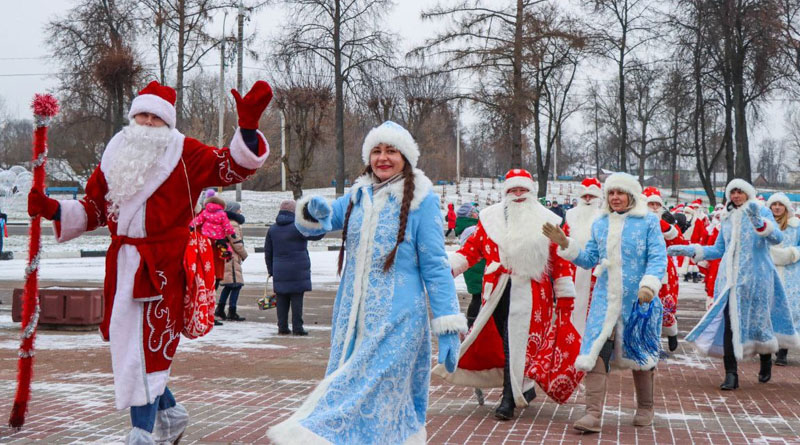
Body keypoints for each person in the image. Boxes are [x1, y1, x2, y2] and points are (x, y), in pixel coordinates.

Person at [27, 80, 272, 444]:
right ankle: (170, 415)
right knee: (132, 352)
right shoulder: (116, 152)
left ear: (168, 122)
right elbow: (95, 207)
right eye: (141, 114)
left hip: (162, 267)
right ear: (132, 116)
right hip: (122, 265)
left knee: (146, 351)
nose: (146, 122)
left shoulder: (185, 152)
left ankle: (140, 434)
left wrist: (248, 130)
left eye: (155, 117)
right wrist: (53, 208)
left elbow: (231, 168)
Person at [267, 121, 466, 444]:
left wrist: (446, 326)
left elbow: (435, 265)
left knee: (376, 394)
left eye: (391, 151)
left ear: (405, 156)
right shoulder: (359, 194)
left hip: (398, 319)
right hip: (352, 320)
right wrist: (313, 211)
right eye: (376, 151)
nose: (382, 158)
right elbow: (318, 224)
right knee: (347, 386)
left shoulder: (422, 200)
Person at [437, 169, 582, 421]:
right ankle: (520, 387)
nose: (517, 194)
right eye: (513, 190)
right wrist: (445, 270)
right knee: (503, 340)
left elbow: (560, 264)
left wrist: (566, 298)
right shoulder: (489, 218)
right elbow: (472, 250)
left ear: (531, 192)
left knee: (517, 343)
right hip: (497, 291)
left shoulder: (549, 221)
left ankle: (508, 399)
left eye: (522, 190)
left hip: (532, 295)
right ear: (505, 193)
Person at [543, 172, 667, 433]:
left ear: (631, 195)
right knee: (594, 352)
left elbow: (658, 257)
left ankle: (646, 407)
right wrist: (566, 243)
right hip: (604, 301)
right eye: (611, 193)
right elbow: (589, 259)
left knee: (639, 354)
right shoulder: (600, 224)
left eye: (620, 193)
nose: (615, 198)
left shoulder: (648, 222)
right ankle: (592, 414)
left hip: (638, 300)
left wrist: (649, 285)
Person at [668, 179, 800, 390]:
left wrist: (760, 224)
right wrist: (690, 249)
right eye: (733, 192)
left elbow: (776, 238)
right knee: (729, 324)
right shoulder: (727, 217)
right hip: (729, 280)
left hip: (758, 278)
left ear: (748, 194)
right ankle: (731, 374)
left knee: (760, 323)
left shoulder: (762, 213)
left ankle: (766, 359)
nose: (736, 196)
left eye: (740, 192)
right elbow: (718, 249)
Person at [264, 199, 324, 336]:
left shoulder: (272, 229)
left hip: (279, 269)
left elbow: (268, 252)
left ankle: (282, 327)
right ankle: (297, 328)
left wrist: (271, 270)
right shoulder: (298, 227)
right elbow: (317, 235)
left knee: (281, 299)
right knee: (297, 298)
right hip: (298, 268)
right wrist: (322, 223)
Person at [643, 186, 687, 353]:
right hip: (643, 268)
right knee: (645, 305)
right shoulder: (637, 222)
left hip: (665, 271)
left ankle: (671, 332)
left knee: (665, 303)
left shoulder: (666, 224)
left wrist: (665, 227)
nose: (654, 207)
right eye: (650, 204)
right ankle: (648, 342)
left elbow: (681, 243)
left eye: (656, 204)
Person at [563, 177, 604, 337]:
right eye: (584, 196)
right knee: (573, 305)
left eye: (591, 196)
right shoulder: (571, 216)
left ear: (598, 198)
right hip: (572, 269)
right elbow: (563, 241)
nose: (587, 199)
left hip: (595, 271)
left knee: (592, 308)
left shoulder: (604, 217)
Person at [767, 192, 800, 366]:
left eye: (780, 204)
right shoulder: (766, 226)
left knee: (787, 310)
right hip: (769, 270)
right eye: (774, 204)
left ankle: (783, 350)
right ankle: (767, 347)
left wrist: (791, 254)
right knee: (768, 308)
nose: (777, 207)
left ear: (786, 207)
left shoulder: (796, 226)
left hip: (790, 273)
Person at [453, 203, 485, 329]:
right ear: (469, 215)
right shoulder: (472, 228)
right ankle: (472, 323)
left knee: (476, 296)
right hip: (477, 267)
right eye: (474, 212)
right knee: (477, 297)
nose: (477, 213)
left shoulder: (466, 226)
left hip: (472, 268)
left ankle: (473, 322)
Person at [216, 201, 248, 322]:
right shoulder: (233, 223)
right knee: (236, 285)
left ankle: (220, 309)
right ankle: (232, 311)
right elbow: (236, 242)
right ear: (234, 210)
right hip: (232, 258)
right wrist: (244, 254)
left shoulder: (224, 221)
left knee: (229, 285)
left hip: (227, 257)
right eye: (239, 209)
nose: (240, 211)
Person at [680, 199, 708, 282]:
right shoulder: (683, 221)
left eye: (688, 213)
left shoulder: (698, 221)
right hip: (685, 242)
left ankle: (695, 275)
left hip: (694, 243)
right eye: (685, 213)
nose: (686, 214)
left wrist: (700, 242)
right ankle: (687, 274)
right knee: (685, 260)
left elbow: (702, 232)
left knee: (693, 260)